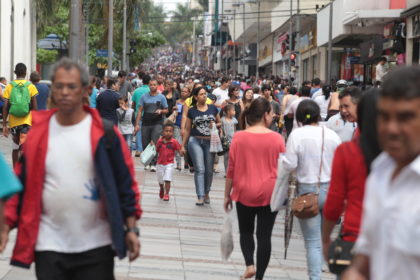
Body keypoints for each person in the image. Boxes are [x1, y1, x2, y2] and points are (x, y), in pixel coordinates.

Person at [0, 58, 141, 279]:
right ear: (52, 90)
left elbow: (125, 183)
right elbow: (22, 183)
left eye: (72, 86)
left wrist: (131, 228)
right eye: (59, 86)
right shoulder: (39, 133)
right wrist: (6, 225)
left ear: (85, 90)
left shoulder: (105, 134)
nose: (65, 92)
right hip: (49, 245)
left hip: (97, 246)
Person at [342, 66, 420, 280]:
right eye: (384, 117)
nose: (392, 128)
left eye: (405, 117)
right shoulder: (381, 171)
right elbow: (367, 257)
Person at [322, 89, 381, 278]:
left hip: (354, 236)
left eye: (346, 106)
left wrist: (325, 239)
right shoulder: (400, 155)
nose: (343, 111)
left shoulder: (349, 151)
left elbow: (335, 200)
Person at [224, 98, 285, 280]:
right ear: (266, 114)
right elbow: (284, 168)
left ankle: (250, 264)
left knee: (246, 231)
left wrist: (227, 195)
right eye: (271, 113)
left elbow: (231, 169)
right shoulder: (277, 138)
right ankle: (260, 277)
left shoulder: (239, 137)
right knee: (264, 236)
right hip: (270, 192)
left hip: (244, 191)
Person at [282, 100, 341, 280]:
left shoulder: (297, 135)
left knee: (312, 242)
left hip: (307, 192)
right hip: (330, 191)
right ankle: (325, 267)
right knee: (325, 237)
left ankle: (315, 277)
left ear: (299, 117)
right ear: (318, 115)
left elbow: (290, 164)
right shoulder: (332, 135)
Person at [181, 87, 220, 206]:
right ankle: (200, 195)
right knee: (200, 169)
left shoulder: (213, 108)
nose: (204, 96)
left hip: (210, 142)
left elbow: (220, 123)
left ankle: (207, 192)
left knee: (209, 170)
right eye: (201, 94)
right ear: (196, 97)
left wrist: (215, 124)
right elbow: (188, 129)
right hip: (195, 141)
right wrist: (183, 145)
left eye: (205, 94)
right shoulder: (192, 110)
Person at [2, 63, 38, 166]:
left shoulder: (9, 86)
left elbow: (5, 106)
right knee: (24, 147)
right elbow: (35, 106)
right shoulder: (30, 86)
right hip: (26, 121)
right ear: (26, 73)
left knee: (15, 148)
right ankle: (22, 171)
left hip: (13, 122)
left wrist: (4, 124)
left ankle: (15, 172)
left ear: (15, 73)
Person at [134, 79, 168, 172]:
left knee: (154, 142)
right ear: (148, 85)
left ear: (157, 86)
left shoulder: (161, 97)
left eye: (154, 85)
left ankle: (153, 163)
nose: (152, 86)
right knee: (145, 142)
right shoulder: (144, 97)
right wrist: (137, 124)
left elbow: (166, 110)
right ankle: (147, 163)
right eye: (151, 85)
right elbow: (140, 111)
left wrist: (161, 111)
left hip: (157, 123)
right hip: (145, 122)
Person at [155, 123, 183, 201]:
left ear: (173, 132)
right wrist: (152, 146)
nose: (168, 132)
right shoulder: (159, 141)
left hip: (169, 164)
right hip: (160, 163)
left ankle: (167, 194)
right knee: (160, 181)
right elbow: (156, 150)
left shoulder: (174, 142)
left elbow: (179, 150)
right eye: (166, 131)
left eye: (170, 131)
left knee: (167, 179)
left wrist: (182, 151)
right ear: (163, 132)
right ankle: (161, 188)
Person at [132, 74, 151, 157]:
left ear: (142, 81)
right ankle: (148, 150)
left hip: (138, 114)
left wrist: (134, 110)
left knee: (138, 132)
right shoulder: (152, 90)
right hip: (149, 114)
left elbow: (133, 103)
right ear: (150, 82)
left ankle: (139, 150)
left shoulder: (136, 91)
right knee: (148, 132)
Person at [221, 104, 238, 174]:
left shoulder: (234, 120)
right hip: (225, 141)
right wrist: (221, 136)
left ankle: (233, 170)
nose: (235, 112)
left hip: (232, 140)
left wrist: (236, 137)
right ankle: (226, 171)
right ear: (228, 111)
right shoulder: (222, 120)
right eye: (233, 110)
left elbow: (235, 129)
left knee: (233, 156)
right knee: (226, 156)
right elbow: (221, 129)